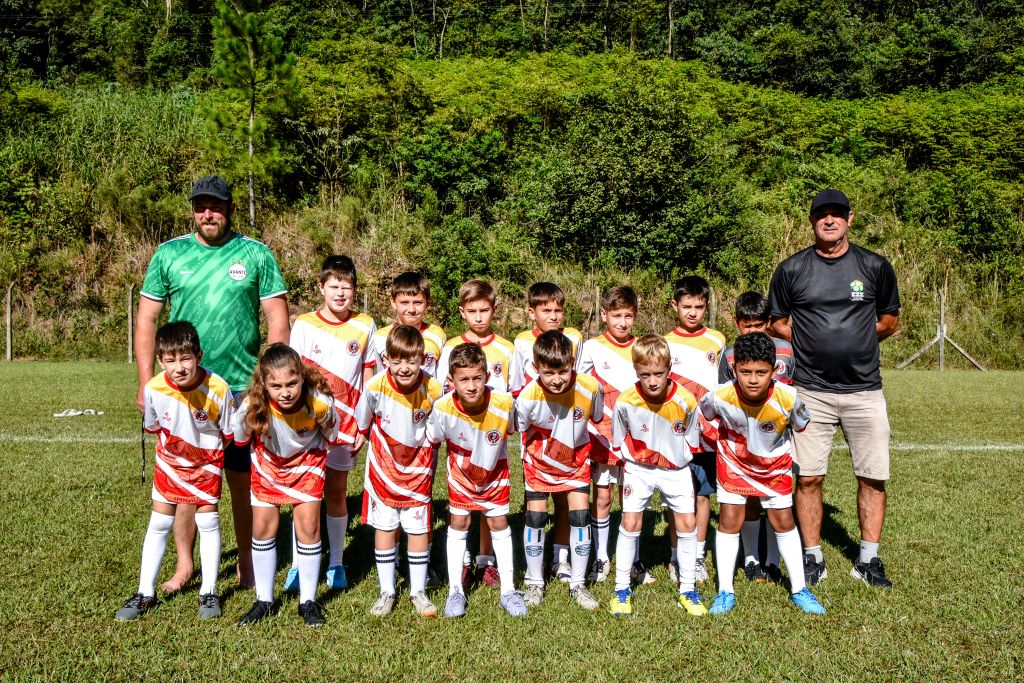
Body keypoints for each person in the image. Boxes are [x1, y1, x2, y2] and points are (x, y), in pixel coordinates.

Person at [135, 174, 289, 591]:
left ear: (230, 210)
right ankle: (185, 565)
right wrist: (147, 382)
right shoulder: (169, 254)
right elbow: (147, 318)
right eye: (201, 207)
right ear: (193, 211)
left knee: (242, 478)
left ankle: (247, 561)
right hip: (185, 390)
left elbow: (277, 319)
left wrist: (268, 381)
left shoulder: (255, 254)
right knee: (187, 477)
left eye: (216, 207)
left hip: (241, 388)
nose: (208, 214)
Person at [769, 188, 900, 589]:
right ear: (812, 220)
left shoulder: (874, 266)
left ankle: (868, 560)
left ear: (849, 218)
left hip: (865, 390)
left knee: (872, 477)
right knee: (808, 478)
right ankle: (813, 558)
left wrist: (856, 340)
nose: (829, 220)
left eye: (837, 214)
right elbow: (777, 321)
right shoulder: (791, 269)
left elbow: (890, 320)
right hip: (811, 391)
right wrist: (810, 341)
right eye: (822, 214)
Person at [700, 332, 826, 616]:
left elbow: (801, 424)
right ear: (734, 369)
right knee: (730, 519)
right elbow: (705, 414)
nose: (753, 379)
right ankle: (725, 591)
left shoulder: (788, 397)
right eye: (746, 372)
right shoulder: (720, 396)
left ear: (774, 370)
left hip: (774, 466)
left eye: (761, 372)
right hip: (734, 463)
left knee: (783, 520)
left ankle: (799, 589)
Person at [115, 322, 234, 621]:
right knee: (159, 522)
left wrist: (205, 458)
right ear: (160, 361)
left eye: (186, 359)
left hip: (206, 465)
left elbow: (228, 433)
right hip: (169, 464)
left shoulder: (218, 388)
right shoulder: (154, 389)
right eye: (170, 360)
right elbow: (155, 427)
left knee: (208, 522)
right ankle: (145, 592)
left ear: (199, 356)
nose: (179, 367)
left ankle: (208, 592)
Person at [284, 255, 378, 592]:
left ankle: (336, 562)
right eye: (334, 286)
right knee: (303, 493)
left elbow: (369, 377)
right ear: (321, 287)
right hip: (307, 425)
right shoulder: (304, 325)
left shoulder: (365, 325)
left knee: (336, 490)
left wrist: (364, 425)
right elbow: (293, 374)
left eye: (347, 287)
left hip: (346, 426)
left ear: (355, 290)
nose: (340, 293)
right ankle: (298, 563)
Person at [232, 344, 340, 627]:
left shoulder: (318, 402)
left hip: (307, 463)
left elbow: (332, 434)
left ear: (302, 377)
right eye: (276, 386)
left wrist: (326, 422)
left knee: (309, 527)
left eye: (292, 383)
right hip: (268, 464)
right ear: (264, 383)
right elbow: (239, 438)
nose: (286, 392)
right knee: (262, 528)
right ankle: (264, 600)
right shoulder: (252, 405)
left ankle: (308, 601)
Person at [607, 335, 706, 618]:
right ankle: (621, 589)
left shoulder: (686, 400)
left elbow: (692, 439)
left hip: (676, 470)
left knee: (687, 523)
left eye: (658, 374)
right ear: (636, 370)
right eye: (645, 375)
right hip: (639, 469)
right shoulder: (625, 401)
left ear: (669, 368)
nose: (652, 381)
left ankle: (688, 589)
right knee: (630, 521)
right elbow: (619, 437)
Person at [427, 343, 527, 618]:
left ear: (487, 376)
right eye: (464, 379)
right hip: (461, 474)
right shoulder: (443, 407)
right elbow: (434, 438)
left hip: (495, 473)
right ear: (451, 381)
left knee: (498, 522)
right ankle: (455, 591)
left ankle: (508, 590)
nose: (471, 386)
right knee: (459, 522)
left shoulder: (504, 403)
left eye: (477, 378)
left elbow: (514, 428)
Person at [355, 325, 444, 617]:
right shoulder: (375, 386)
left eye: (411, 361)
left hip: (419, 470)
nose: (404, 368)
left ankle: (418, 591)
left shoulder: (434, 389)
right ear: (386, 359)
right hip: (383, 470)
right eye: (397, 361)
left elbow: (437, 428)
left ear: (422, 359)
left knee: (418, 528)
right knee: (386, 526)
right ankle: (387, 590)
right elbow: (363, 422)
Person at [514, 331, 602, 611]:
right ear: (536, 368)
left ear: (572, 363)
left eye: (563, 371)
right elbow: (521, 430)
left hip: (576, 462)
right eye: (548, 373)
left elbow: (597, 416)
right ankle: (535, 582)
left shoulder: (590, 387)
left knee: (580, 516)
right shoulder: (527, 397)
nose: (556, 379)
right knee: (536, 518)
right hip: (539, 463)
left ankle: (578, 584)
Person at [436, 280, 515, 588]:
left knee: (491, 505)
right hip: (462, 437)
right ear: (462, 312)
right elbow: (443, 392)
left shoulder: (506, 348)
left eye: (484, 310)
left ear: (495, 309)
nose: (479, 317)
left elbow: (512, 392)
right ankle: (464, 561)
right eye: (472, 311)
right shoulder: (450, 348)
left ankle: (486, 559)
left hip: (493, 436)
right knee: (461, 504)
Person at [718, 291, 795, 583]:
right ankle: (751, 558)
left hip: (776, 440)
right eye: (747, 326)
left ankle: (773, 560)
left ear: (769, 322)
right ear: (737, 324)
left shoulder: (786, 350)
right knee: (749, 498)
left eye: (759, 325)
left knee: (776, 501)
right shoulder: (728, 355)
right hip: (744, 442)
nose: (753, 331)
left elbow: (791, 389)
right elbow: (724, 396)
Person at [508, 282, 583, 583]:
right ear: (531, 312)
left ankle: (560, 558)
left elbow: (579, 380)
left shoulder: (574, 338)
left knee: (565, 498)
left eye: (558, 310)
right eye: (546, 310)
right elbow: (517, 386)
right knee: (535, 500)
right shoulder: (521, 342)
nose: (553, 316)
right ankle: (534, 564)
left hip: (567, 429)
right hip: (535, 434)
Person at [664, 275, 726, 584]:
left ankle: (698, 556)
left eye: (699, 307)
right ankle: (676, 556)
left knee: (702, 496)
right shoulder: (665, 343)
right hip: (675, 436)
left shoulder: (717, 340)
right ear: (674, 305)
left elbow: (723, 387)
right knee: (678, 498)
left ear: (707, 306)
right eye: (686, 306)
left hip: (708, 435)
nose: (692, 312)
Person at [575, 285, 639, 583]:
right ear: (604, 315)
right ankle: (601, 558)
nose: (622, 323)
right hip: (602, 435)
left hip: (635, 438)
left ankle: (634, 559)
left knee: (632, 498)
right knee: (603, 497)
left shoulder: (641, 347)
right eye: (616, 316)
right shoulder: (591, 347)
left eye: (628, 316)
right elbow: (580, 387)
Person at [368, 272, 447, 377]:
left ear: (427, 304)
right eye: (404, 302)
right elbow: (380, 376)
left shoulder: (437, 335)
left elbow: (441, 379)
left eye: (418, 302)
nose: (411, 309)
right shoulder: (380, 337)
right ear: (393, 303)